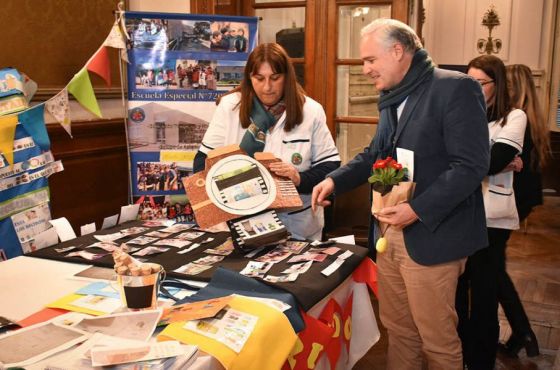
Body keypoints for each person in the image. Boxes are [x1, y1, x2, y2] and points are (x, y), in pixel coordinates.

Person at [311, 19, 489, 369]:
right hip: (390, 234)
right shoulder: (392, 95)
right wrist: (335, 180)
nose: (365, 70)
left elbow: (470, 166)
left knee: (437, 341)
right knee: (399, 330)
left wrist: (417, 210)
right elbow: (377, 153)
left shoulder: (456, 88)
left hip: (434, 237)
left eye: (370, 60)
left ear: (397, 51)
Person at [194, 43, 340, 241]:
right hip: (239, 223)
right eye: (259, 78)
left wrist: (299, 179)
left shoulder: (311, 111)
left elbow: (329, 167)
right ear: (249, 78)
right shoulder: (229, 107)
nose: (267, 87)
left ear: (287, 77)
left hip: (295, 226)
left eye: (275, 78)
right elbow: (201, 162)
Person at [456, 55, 528, 370]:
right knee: (457, 286)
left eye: (480, 83)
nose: (473, 88)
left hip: (492, 219)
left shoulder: (515, 117)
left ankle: (481, 359)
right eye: (468, 82)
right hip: (459, 214)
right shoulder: (462, 115)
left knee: (485, 291)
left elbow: (493, 161)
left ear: (496, 84)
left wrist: (473, 162)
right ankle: (458, 352)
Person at [495, 64, 551, 358]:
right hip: (524, 196)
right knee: (495, 266)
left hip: (512, 196)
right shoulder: (533, 116)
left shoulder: (517, 119)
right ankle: (521, 331)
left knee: (493, 268)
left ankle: (522, 330)